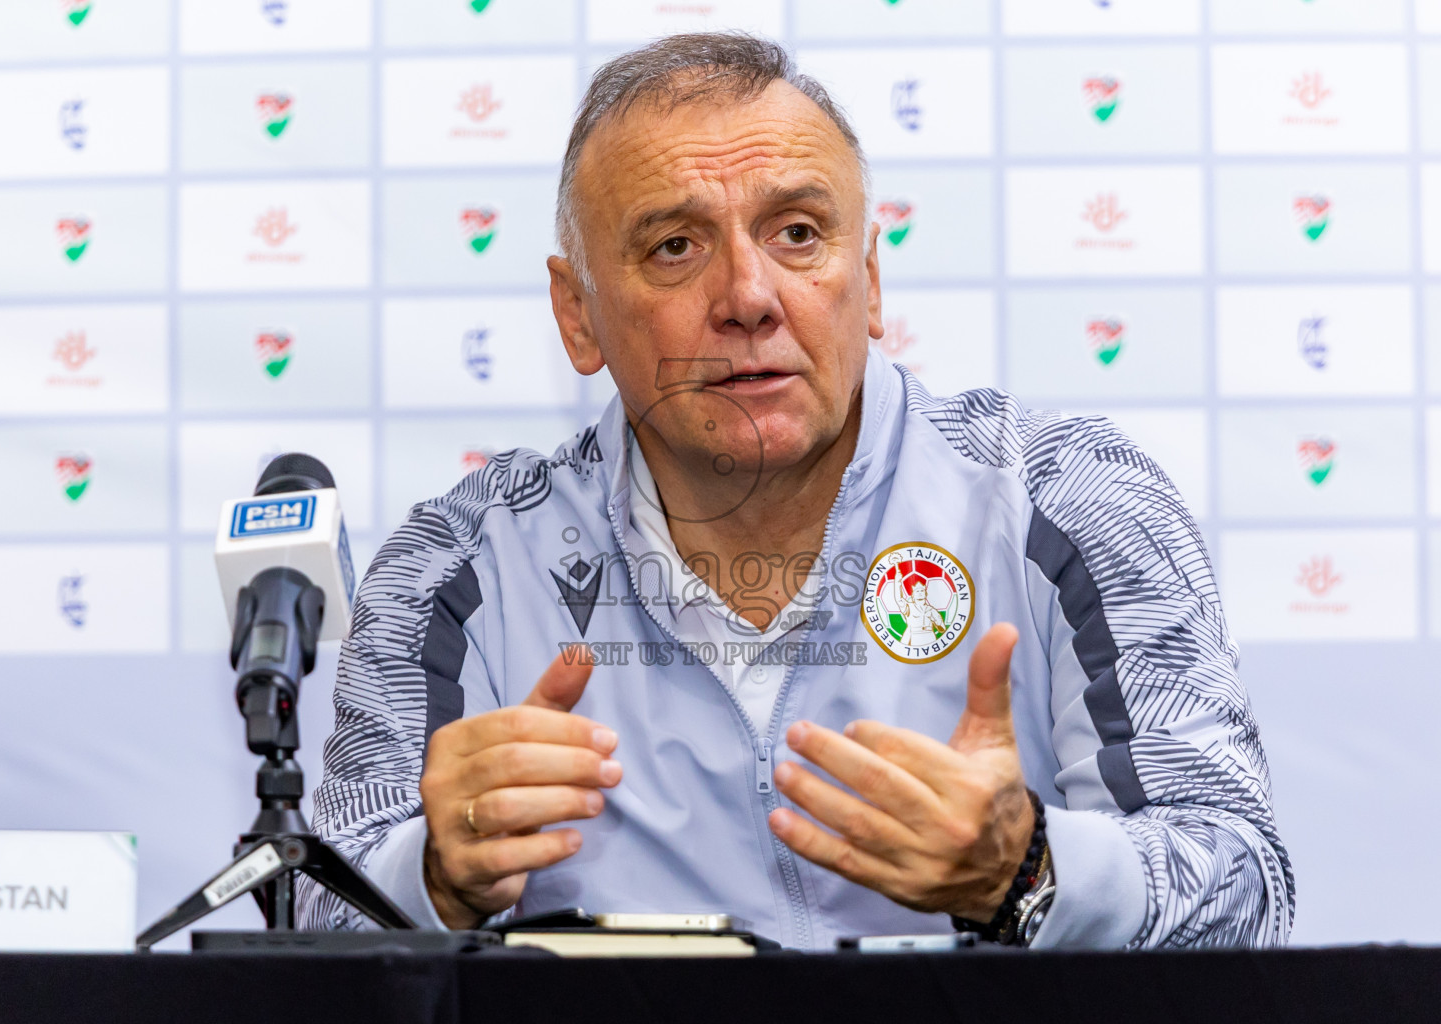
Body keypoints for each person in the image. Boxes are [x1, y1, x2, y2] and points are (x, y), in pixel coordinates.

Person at [302, 33, 1293, 949]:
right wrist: (436, 877)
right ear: (578, 314)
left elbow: (1245, 893)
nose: (748, 296)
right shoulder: (456, 571)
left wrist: (1025, 870)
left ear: (869, 276)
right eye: (674, 247)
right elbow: (317, 920)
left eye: (798, 232)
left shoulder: (1066, 501)